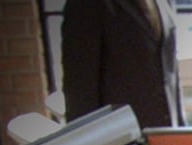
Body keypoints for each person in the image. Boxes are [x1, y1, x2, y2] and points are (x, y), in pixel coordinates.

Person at [61, 0, 182, 129]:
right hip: (119, 134)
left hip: (166, 132)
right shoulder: (86, 4)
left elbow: (170, 72)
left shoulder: (164, 3)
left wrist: (180, 128)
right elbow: (80, 89)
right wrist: (85, 137)